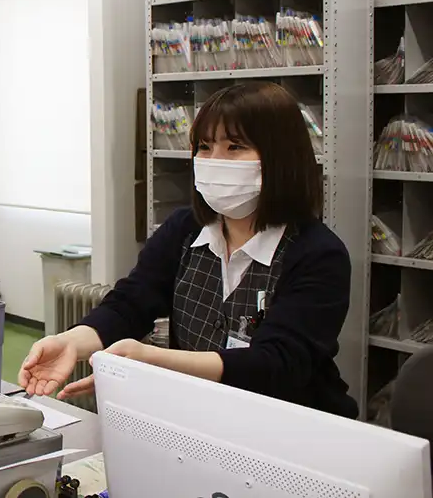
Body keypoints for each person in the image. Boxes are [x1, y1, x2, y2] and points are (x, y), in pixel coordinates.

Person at [19, 81, 358, 418]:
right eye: (205, 147)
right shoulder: (185, 229)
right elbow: (131, 302)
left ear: (280, 157)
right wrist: (72, 342)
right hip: (200, 418)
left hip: (293, 427)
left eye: (235, 147)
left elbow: (278, 364)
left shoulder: (318, 254)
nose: (214, 160)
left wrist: (154, 361)